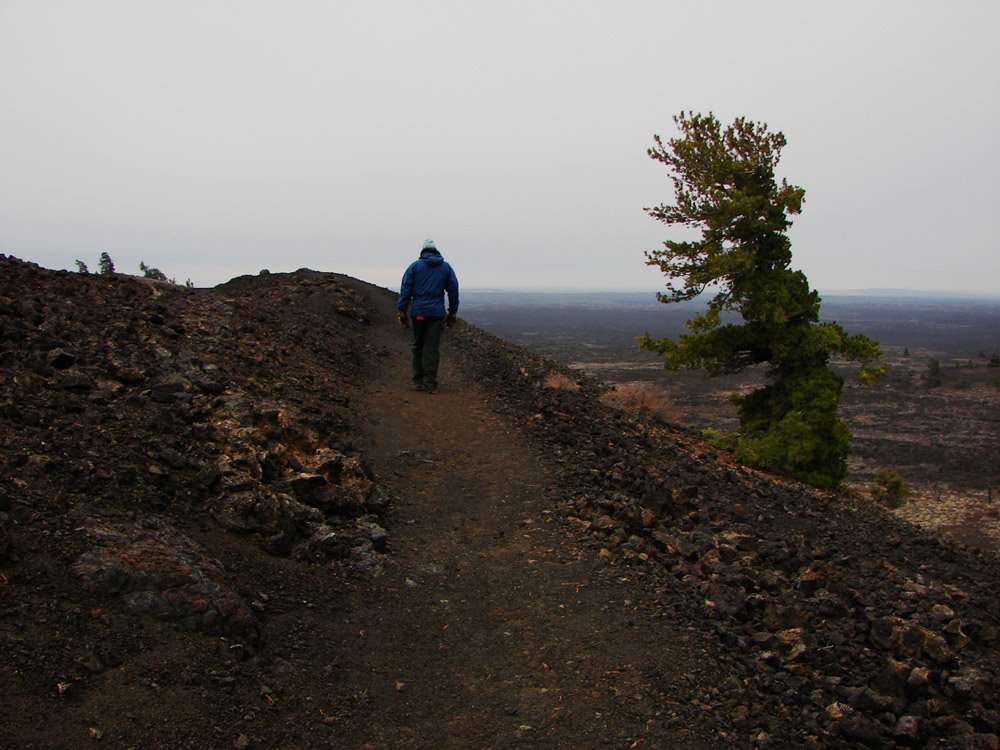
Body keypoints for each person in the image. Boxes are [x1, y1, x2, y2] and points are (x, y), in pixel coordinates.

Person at [397, 239, 459, 393]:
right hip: (436, 314)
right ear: (436, 250)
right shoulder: (445, 267)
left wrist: (402, 310)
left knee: (419, 345)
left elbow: (405, 289)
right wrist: (452, 311)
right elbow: (453, 289)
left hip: (418, 313)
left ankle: (418, 381)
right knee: (431, 347)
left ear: (423, 251)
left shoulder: (414, 267)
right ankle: (430, 384)